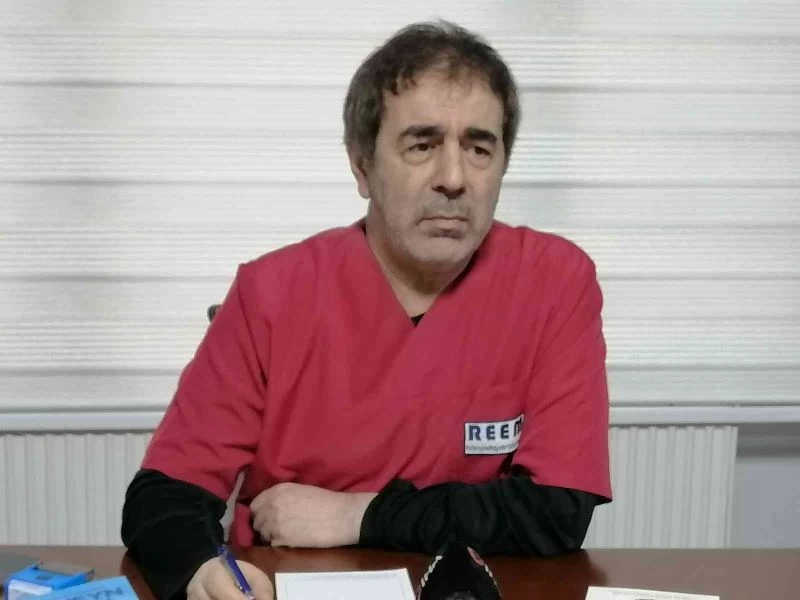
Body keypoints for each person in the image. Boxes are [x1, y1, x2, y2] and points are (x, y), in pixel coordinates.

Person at [121, 20, 612, 600]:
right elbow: (164, 496)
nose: (454, 178)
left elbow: (555, 512)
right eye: (422, 145)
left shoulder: (554, 281)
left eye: (479, 147)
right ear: (362, 165)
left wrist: (357, 514)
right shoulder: (271, 292)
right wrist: (201, 572)